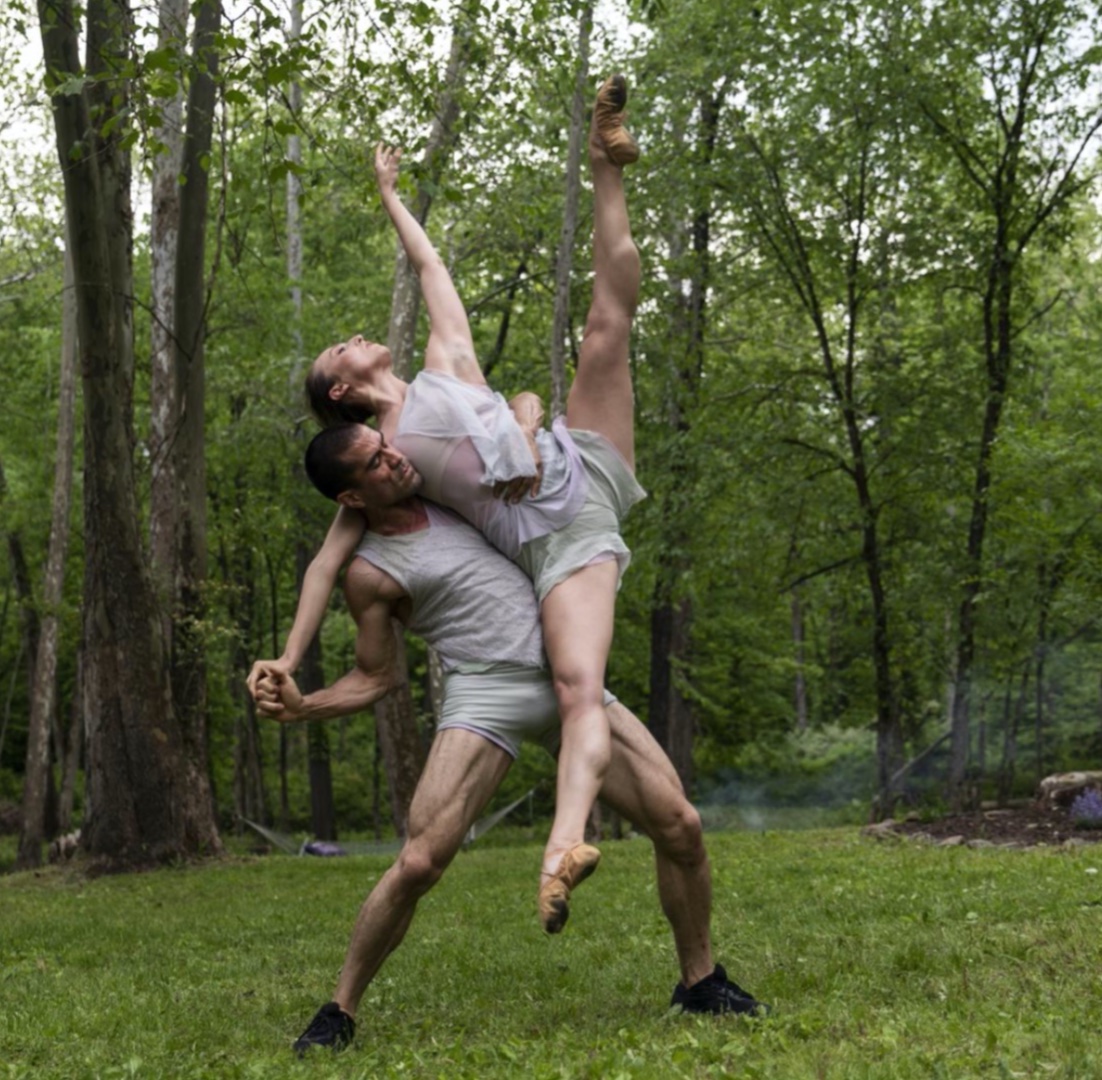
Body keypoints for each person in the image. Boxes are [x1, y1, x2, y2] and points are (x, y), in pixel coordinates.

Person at [250, 76, 645, 933]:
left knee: (609, 322)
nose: (353, 338)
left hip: (582, 463)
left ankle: (604, 160)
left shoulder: (444, 358)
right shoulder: (383, 461)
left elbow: (428, 264)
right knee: (581, 689)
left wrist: (392, 197)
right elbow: (328, 563)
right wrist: (288, 659)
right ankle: (564, 846)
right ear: (346, 388)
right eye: (340, 349)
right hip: (553, 535)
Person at [253, 424, 767, 1054]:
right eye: (376, 463)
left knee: (680, 825)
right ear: (352, 499)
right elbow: (376, 676)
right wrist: (305, 706)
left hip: (568, 678)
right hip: (484, 694)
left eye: (386, 444)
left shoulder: (450, 487)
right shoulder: (370, 572)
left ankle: (701, 982)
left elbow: (512, 415)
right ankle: (339, 1011)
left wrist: (524, 420)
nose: (394, 458)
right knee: (419, 861)